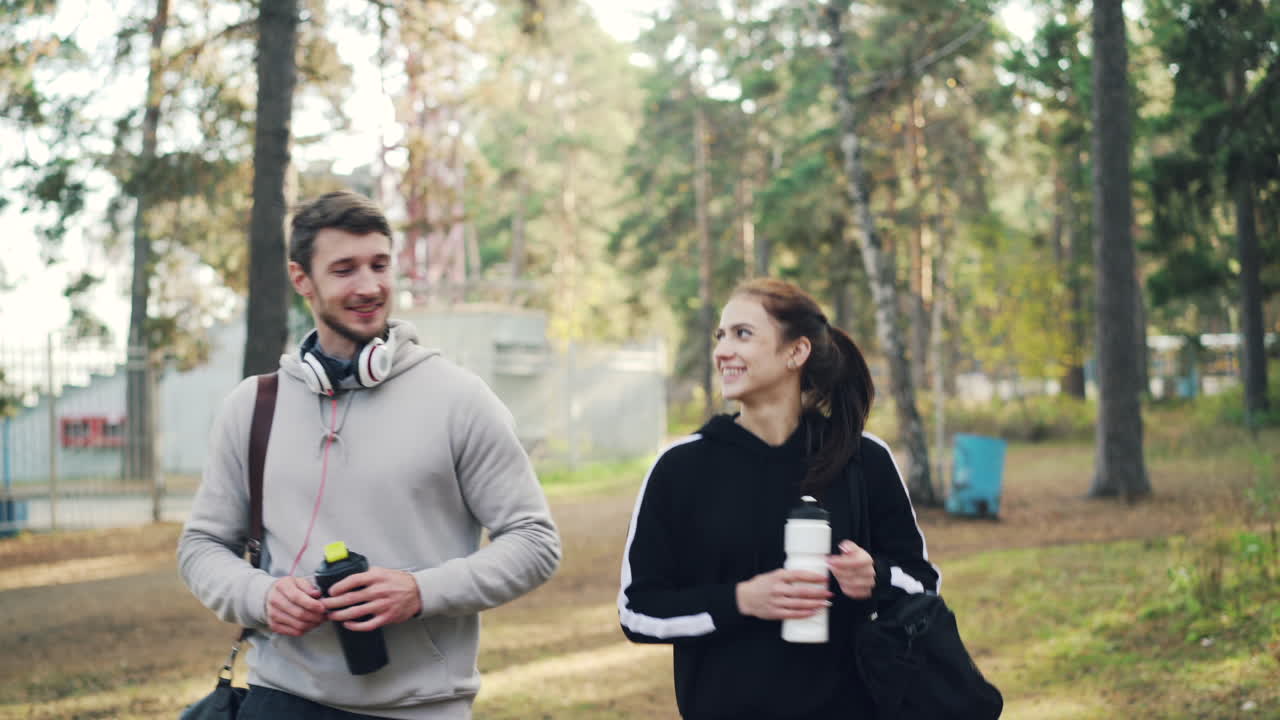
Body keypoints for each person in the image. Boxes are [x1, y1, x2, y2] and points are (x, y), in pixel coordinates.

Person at [178, 190, 561, 720]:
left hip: (421, 708)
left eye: (379, 265)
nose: (369, 286)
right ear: (301, 279)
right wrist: (259, 596)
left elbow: (535, 542)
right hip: (281, 699)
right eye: (344, 269)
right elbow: (201, 546)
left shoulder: (460, 399)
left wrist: (421, 590)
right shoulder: (252, 406)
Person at [617, 277, 939, 719]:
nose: (722, 351)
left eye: (742, 334)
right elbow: (637, 611)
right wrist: (741, 600)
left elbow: (924, 585)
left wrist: (876, 577)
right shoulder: (681, 468)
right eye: (721, 336)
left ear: (796, 351)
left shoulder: (864, 460)